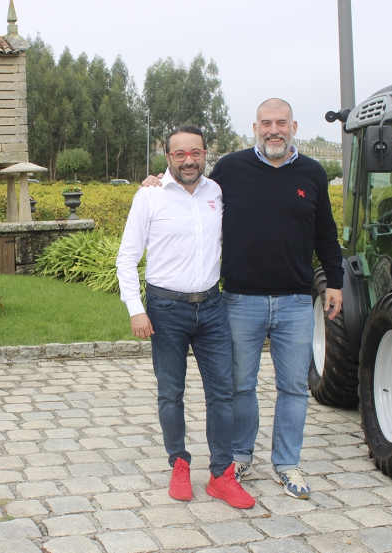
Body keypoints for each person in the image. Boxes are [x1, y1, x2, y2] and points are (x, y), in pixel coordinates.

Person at [143, 99, 343, 500]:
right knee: (239, 387)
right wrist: (156, 182)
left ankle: (287, 463)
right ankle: (238, 458)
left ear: (293, 126)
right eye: (266, 123)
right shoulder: (230, 170)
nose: (274, 130)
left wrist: (335, 281)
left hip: (294, 301)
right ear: (255, 127)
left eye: (281, 123)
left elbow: (325, 232)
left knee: (293, 387)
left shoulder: (313, 172)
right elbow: (192, 186)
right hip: (239, 300)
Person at [117, 124, 254, 509]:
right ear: (168, 157)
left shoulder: (217, 193)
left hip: (212, 308)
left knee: (222, 394)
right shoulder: (149, 196)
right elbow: (127, 258)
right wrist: (136, 309)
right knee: (170, 393)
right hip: (165, 309)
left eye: (195, 152)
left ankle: (221, 475)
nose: (189, 160)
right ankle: (178, 463)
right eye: (180, 154)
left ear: (205, 153)